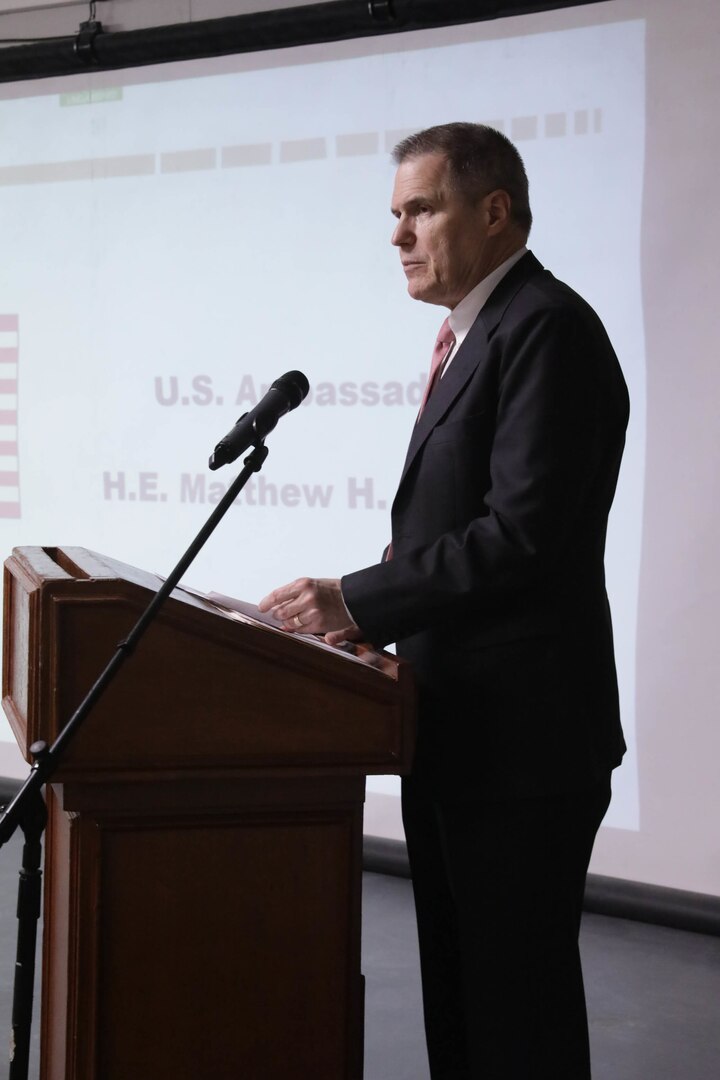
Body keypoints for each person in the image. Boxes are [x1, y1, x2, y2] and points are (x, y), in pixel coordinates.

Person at [259, 122, 629, 1080]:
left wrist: (361, 598)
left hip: (524, 747)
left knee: (517, 1015)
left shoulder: (546, 327)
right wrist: (374, 631)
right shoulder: (476, 335)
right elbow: (455, 526)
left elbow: (522, 536)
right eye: (395, 215)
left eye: (421, 209)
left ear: (494, 210)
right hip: (458, 729)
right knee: (463, 1002)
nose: (398, 236)